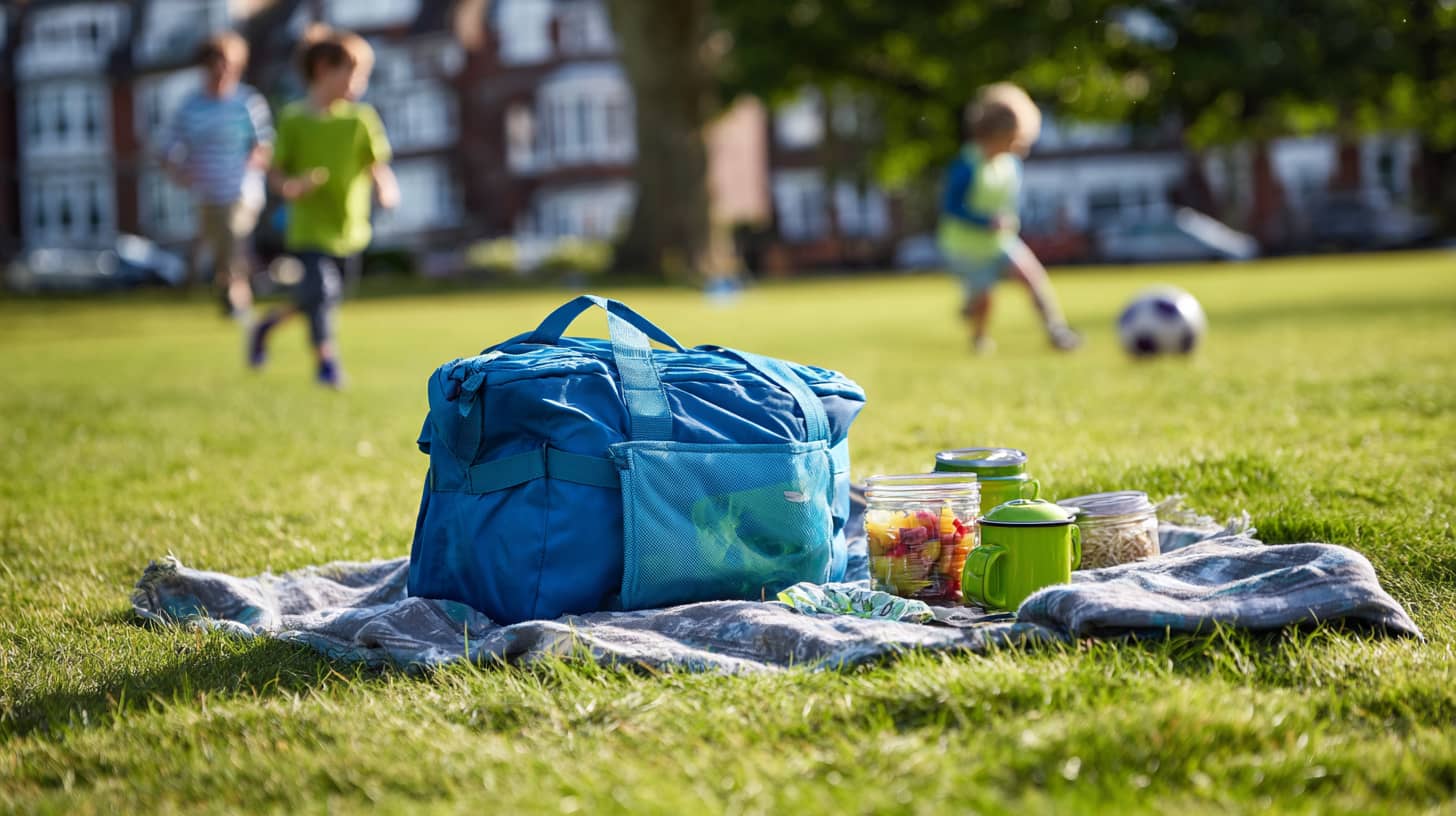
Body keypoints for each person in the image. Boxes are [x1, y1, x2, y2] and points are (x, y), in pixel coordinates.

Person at [250, 26, 399, 388]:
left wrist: (386, 188)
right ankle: (327, 364)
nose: (360, 83)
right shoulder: (293, 119)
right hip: (308, 228)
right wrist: (292, 186)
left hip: (349, 228)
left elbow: (375, 164)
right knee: (320, 295)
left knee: (322, 299)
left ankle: (268, 325)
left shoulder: (360, 119)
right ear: (322, 69)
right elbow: (277, 174)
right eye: (353, 73)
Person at [938, 83, 1081, 354]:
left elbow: (1006, 201)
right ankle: (978, 336)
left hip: (1001, 241)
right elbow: (951, 207)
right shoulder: (967, 165)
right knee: (984, 300)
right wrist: (984, 221)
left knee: (1032, 276)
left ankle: (1057, 331)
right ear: (997, 133)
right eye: (1018, 137)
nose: (1023, 144)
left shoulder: (1010, 164)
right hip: (966, 247)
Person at [162, 31, 273, 319]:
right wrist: (178, 172)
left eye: (228, 63)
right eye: (215, 63)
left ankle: (234, 299)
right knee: (223, 250)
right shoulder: (190, 105)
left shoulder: (247, 101)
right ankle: (233, 293)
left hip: (241, 188)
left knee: (233, 236)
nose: (221, 70)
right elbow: (171, 146)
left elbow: (264, 143)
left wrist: (253, 160)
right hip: (206, 191)